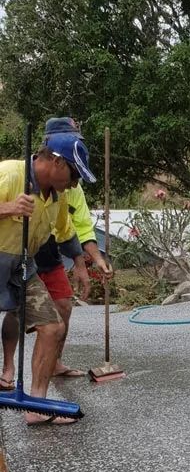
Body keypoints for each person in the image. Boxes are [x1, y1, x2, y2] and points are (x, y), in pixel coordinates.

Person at [0, 118, 112, 384]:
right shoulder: (10, 175)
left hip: (22, 265)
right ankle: (7, 369)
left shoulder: (58, 196)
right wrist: (9, 208)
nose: (75, 184)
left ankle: (36, 407)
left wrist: (87, 262)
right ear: (58, 162)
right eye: (74, 175)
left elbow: (67, 232)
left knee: (53, 326)